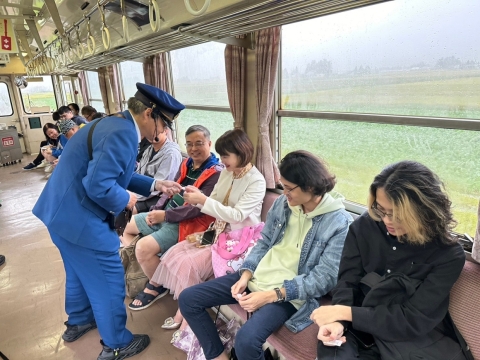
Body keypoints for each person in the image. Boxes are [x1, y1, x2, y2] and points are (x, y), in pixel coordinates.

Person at [32, 83, 185, 360]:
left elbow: (115, 172)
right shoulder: (124, 134)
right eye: (163, 123)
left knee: (79, 272)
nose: (163, 131)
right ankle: (116, 344)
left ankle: (78, 321)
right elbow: (99, 185)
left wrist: (155, 184)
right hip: (80, 220)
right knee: (107, 279)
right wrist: (126, 201)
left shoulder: (114, 123)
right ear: (150, 113)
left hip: (59, 214)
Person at [179, 150, 353, 360]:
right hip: (257, 277)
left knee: (246, 341)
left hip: (289, 295)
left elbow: (323, 279)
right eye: (283, 186)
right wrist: (245, 275)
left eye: (289, 188)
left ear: (310, 186)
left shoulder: (339, 223)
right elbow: (264, 242)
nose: (284, 193)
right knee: (189, 299)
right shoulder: (283, 204)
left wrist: (271, 295)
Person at [313, 161, 469, 360]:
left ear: (423, 211)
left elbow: (413, 319)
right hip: (353, 325)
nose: (386, 220)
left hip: (406, 338)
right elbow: (347, 281)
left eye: (397, 214)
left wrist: (344, 313)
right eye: (381, 210)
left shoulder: (448, 254)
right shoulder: (365, 226)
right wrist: (338, 322)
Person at [131, 129, 266, 334]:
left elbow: (237, 215)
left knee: (187, 264)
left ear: (242, 153)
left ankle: (185, 316)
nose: (223, 160)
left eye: (227, 156)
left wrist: (202, 201)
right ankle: (186, 310)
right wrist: (197, 196)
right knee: (174, 254)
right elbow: (216, 198)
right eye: (222, 156)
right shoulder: (227, 172)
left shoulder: (256, 180)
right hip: (218, 231)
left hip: (240, 239)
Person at [121, 125, 222, 308]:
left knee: (143, 248)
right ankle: (151, 267)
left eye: (199, 143)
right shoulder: (187, 164)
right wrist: (157, 210)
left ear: (209, 143)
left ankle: (156, 285)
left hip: (187, 224)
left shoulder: (216, 173)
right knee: (122, 225)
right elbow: (169, 191)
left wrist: (165, 215)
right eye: (189, 144)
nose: (193, 149)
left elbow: (198, 208)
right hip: (165, 214)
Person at [133, 117, 182, 214]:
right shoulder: (149, 150)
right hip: (142, 192)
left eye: (156, 131)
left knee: (122, 210)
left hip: (156, 198)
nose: (152, 134)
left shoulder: (171, 154)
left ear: (166, 131)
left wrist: (133, 195)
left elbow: (160, 186)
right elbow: (139, 172)